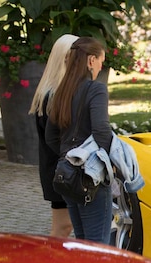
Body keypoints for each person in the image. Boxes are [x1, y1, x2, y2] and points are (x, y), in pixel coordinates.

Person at [45, 37, 113, 244]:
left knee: (82, 243)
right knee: (97, 245)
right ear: (91, 60)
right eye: (101, 60)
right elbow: (101, 130)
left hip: (67, 175)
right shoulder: (96, 89)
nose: (102, 66)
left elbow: (50, 136)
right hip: (91, 176)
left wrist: (70, 156)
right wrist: (112, 164)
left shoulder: (61, 91)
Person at [29, 33, 78, 238]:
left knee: (65, 227)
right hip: (61, 170)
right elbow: (56, 138)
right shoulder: (55, 95)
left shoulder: (51, 92)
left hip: (57, 169)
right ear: (67, 58)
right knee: (63, 227)